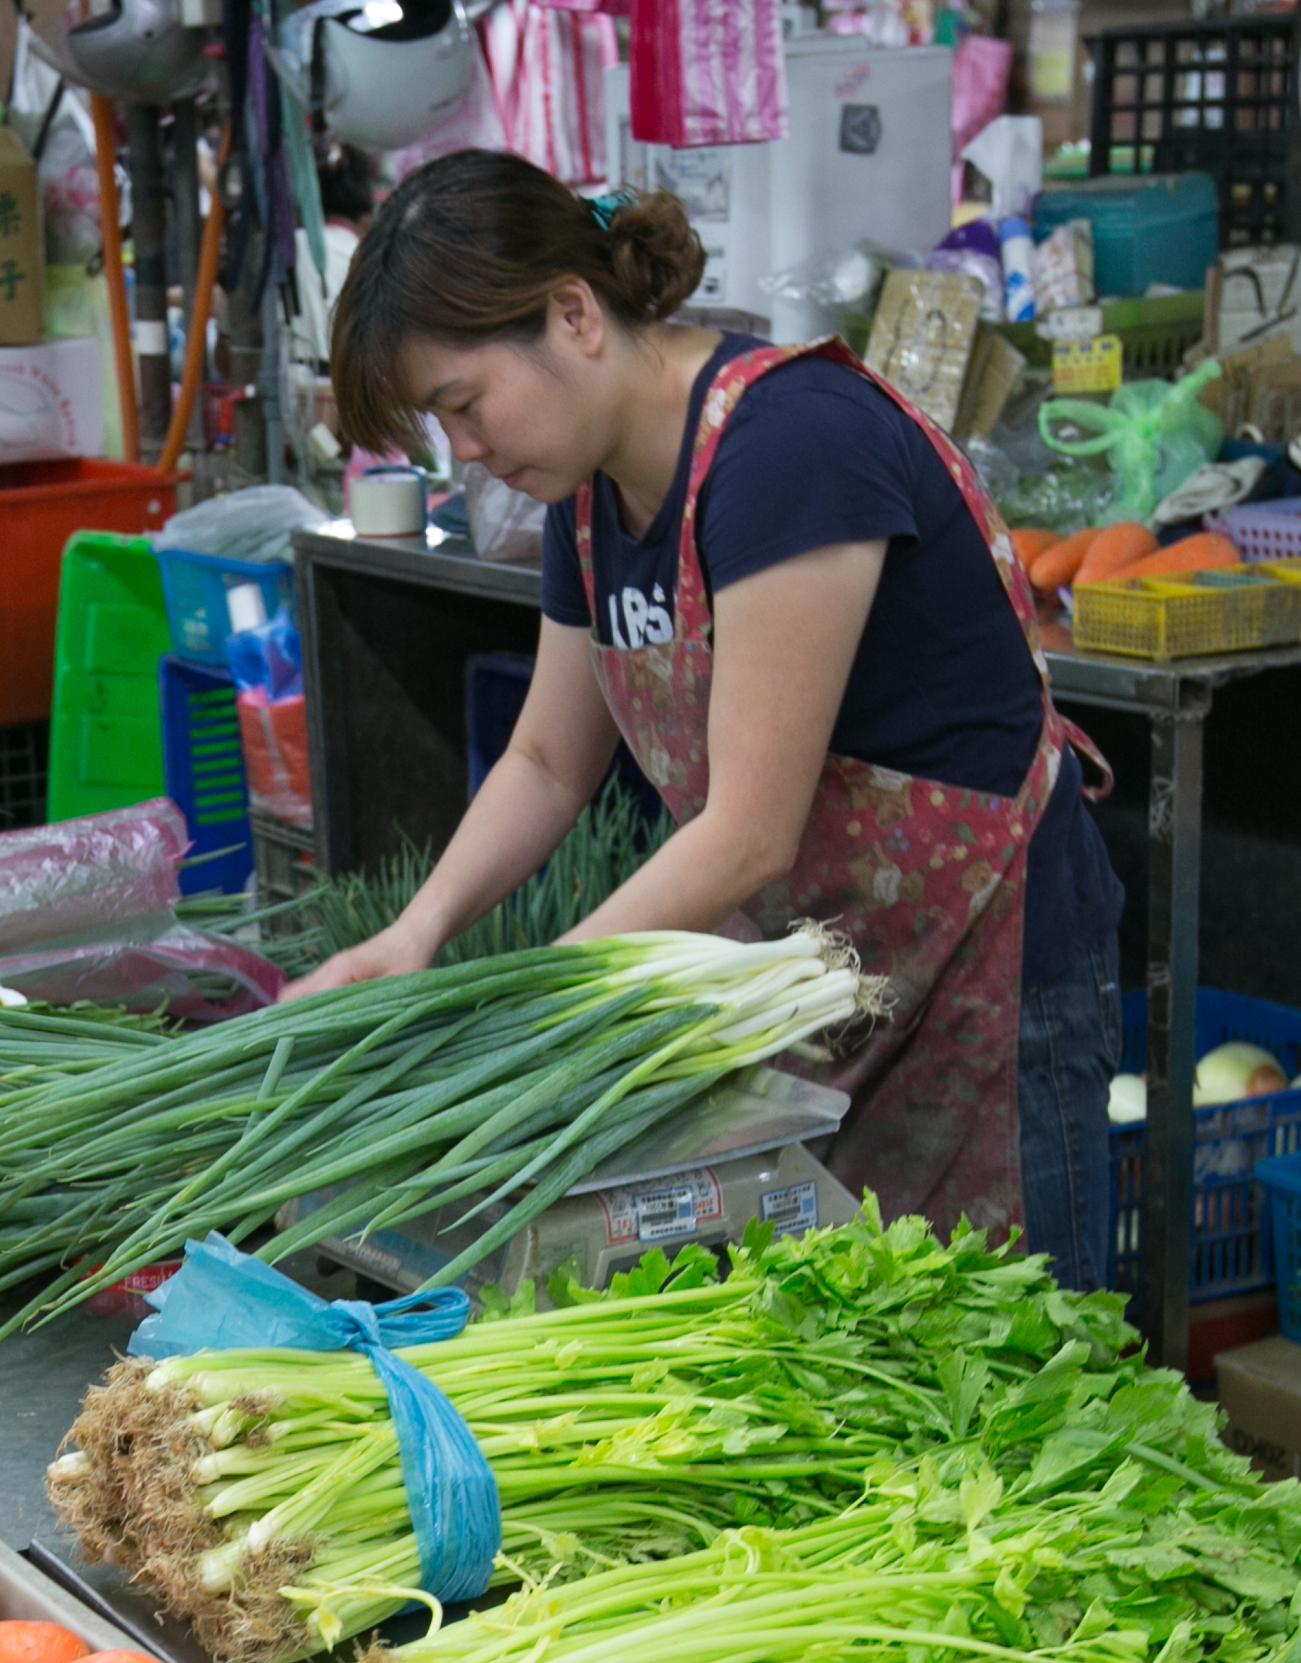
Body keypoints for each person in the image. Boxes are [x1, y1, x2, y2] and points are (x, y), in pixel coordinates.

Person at [305, 152, 1127, 1290]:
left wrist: (532, 1003)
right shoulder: (589, 491)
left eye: (463, 405)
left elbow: (747, 831)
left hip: (986, 975)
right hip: (819, 983)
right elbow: (548, 759)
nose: (469, 453)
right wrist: (419, 934)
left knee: (1025, 1356)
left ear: (573, 315)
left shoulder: (789, 444)